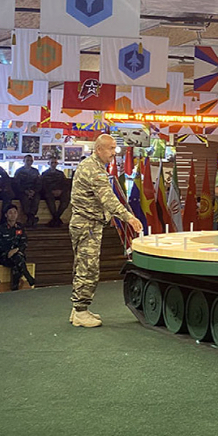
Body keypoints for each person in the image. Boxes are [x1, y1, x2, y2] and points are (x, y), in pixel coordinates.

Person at [69, 134, 142, 328]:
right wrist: (129, 218)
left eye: (114, 149)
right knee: (88, 268)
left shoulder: (92, 166)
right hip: (87, 225)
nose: (113, 153)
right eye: (110, 149)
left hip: (86, 224)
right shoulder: (94, 169)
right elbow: (108, 199)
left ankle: (78, 308)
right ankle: (80, 311)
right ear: (99, 149)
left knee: (83, 266)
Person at [0, 205, 35, 291]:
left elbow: (24, 242)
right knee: (18, 260)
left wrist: (16, 250)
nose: (13, 215)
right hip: (4, 256)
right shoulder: (0, 228)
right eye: (10, 213)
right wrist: (8, 252)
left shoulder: (20, 227)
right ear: (6, 215)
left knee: (17, 261)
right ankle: (27, 276)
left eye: (15, 212)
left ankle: (15, 288)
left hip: (17, 254)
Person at [13, 155, 42, 227]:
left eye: (31, 161)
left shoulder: (35, 171)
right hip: (22, 191)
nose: (29, 162)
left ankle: (31, 217)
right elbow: (16, 184)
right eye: (27, 160)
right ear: (24, 161)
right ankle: (31, 218)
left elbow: (38, 183)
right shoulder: (19, 171)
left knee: (37, 198)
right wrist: (25, 191)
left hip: (33, 191)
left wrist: (34, 191)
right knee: (25, 199)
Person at [42, 157, 71, 227]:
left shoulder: (60, 173)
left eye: (55, 163)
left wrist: (61, 190)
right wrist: (52, 191)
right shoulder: (44, 174)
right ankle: (57, 219)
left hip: (60, 191)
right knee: (49, 198)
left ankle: (56, 218)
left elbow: (65, 184)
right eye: (52, 162)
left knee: (66, 198)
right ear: (48, 163)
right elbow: (43, 185)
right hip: (49, 192)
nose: (53, 164)